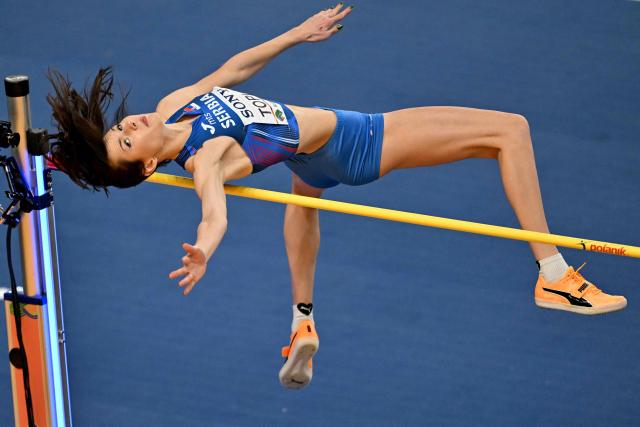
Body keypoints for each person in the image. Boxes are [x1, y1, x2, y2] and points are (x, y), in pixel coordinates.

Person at [45, 4, 627, 390]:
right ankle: (552, 271)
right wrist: (204, 250)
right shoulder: (205, 157)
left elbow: (233, 70)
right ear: (149, 164)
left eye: (121, 127)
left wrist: (297, 34)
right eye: (127, 141)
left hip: (309, 156)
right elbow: (214, 212)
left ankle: (303, 324)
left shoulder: (176, 105)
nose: (131, 123)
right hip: (356, 141)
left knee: (306, 201)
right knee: (510, 130)